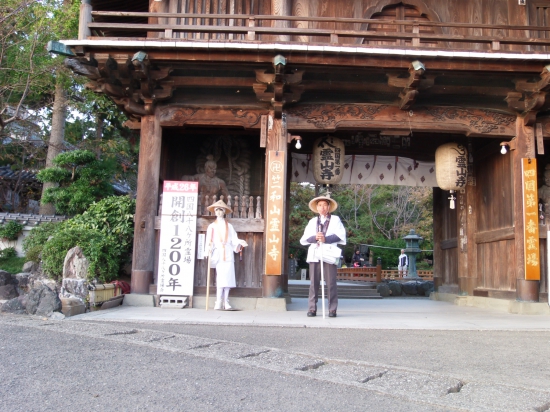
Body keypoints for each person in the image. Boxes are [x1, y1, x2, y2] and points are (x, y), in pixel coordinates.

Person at [300, 193, 346, 318]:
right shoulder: (312, 221)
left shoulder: (335, 220)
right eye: (320, 205)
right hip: (315, 253)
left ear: (329, 207)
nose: (322, 208)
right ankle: (312, 308)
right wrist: (315, 237)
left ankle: (332, 309)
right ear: (317, 207)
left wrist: (325, 238)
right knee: (313, 282)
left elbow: (340, 236)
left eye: (325, 205)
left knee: (331, 282)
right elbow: (304, 239)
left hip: (329, 254)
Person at [205, 199, 247, 310]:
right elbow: (209, 241)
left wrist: (240, 243)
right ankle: (218, 301)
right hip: (218, 253)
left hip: (228, 253)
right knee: (221, 278)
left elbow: (234, 240)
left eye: (221, 210)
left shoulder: (230, 226)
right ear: (214, 211)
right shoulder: (212, 226)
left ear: (224, 211)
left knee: (228, 278)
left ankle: (226, 301)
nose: (219, 212)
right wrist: (208, 249)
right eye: (217, 210)